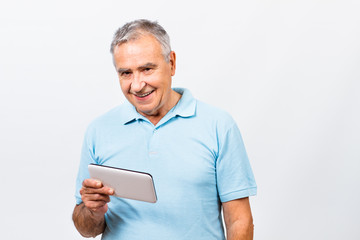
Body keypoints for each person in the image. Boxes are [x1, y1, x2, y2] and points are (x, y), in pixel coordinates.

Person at [72, 19, 257, 240]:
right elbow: (86, 229)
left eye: (147, 69)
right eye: (126, 73)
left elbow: (239, 221)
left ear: (171, 63)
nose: (137, 85)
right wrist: (93, 211)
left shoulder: (218, 125)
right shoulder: (99, 130)